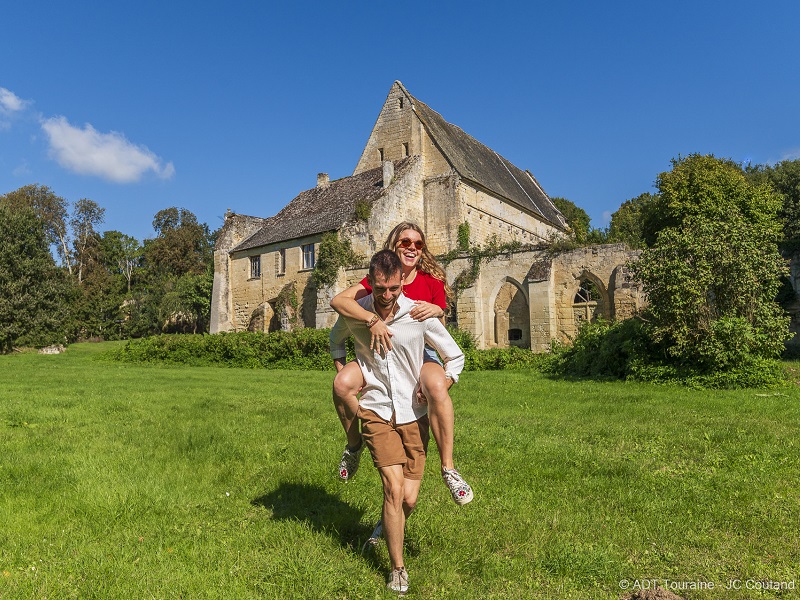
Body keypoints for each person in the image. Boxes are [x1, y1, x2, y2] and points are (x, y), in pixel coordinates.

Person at [329, 250, 465, 594]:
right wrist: (348, 373)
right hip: (376, 411)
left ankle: (382, 528)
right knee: (392, 489)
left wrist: (438, 385)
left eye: (392, 288)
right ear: (370, 283)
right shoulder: (357, 313)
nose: (387, 296)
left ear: (402, 281)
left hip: (413, 414)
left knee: (408, 499)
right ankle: (397, 569)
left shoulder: (418, 314)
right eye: (379, 288)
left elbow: (456, 356)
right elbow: (335, 339)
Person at [330, 222, 473, 505]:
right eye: (406, 243)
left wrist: (439, 309)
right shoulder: (376, 278)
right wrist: (370, 320)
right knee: (342, 383)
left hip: (420, 353)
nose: (412, 248)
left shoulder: (431, 282)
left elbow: (439, 332)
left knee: (435, 385)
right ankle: (354, 444)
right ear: (394, 247)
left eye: (418, 244)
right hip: (378, 354)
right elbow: (340, 303)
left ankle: (449, 468)